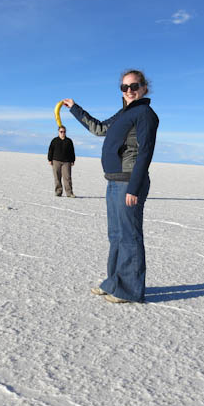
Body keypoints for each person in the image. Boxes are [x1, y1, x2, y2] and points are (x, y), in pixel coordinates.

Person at [61, 69, 159, 303]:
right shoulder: (124, 114)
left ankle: (130, 290)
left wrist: (134, 187)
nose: (129, 91)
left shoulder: (145, 113)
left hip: (129, 181)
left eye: (134, 86)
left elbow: (145, 152)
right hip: (114, 181)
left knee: (129, 236)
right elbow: (98, 129)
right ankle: (115, 282)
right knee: (116, 235)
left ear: (144, 88)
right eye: (124, 87)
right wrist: (75, 109)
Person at [47, 125, 76, 197]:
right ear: (58, 132)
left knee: (67, 177)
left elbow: (72, 151)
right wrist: (50, 159)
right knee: (57, 177)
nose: (63, 133)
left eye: (64, 132)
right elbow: (50, 150)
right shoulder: (54, 140)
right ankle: (58, 191)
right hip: (56, 161)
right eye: (61, 132)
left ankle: (69, 193)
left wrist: (72, 160)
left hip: (66, 162)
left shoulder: (69, 141)